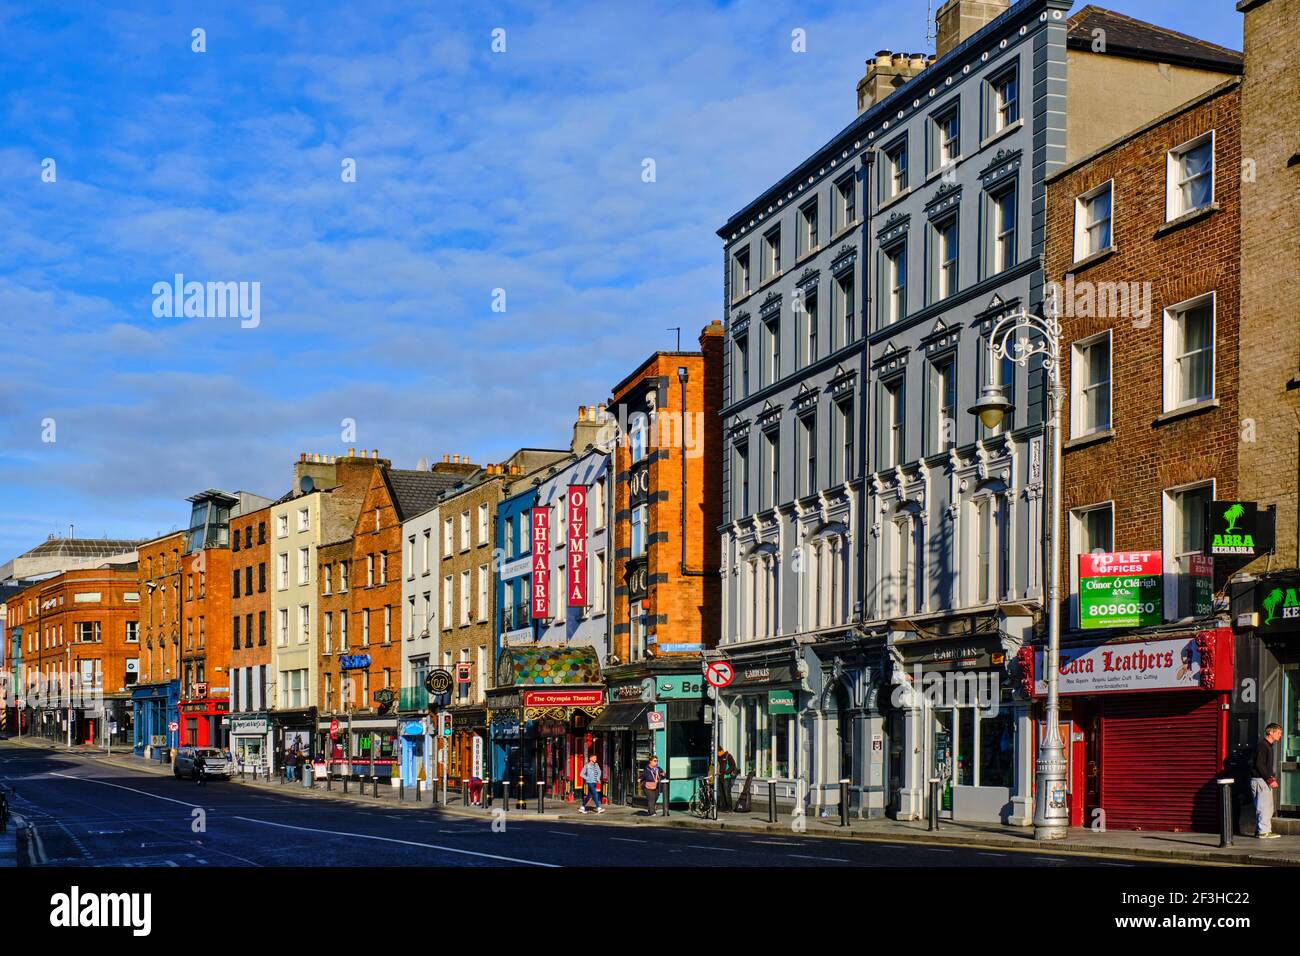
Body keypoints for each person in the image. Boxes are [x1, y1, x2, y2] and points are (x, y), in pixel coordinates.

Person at [1252, 723, 1283, 839]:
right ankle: (1264, 832)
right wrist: (1270, 779)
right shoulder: (1263, 746)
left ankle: (1259, 830)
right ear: (1271, 732)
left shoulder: (1267, 746)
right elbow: (1260, 765)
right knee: (1265, 807)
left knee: (1261, 806)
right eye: (1278, 733)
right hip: (1261, 780)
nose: (1280, 735)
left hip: (1261, 779)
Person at [713, 747, 737, 813]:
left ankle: (729, 807)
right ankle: (723, 807)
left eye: (717, 752)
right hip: (720, 777)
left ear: (721, 751)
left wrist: (727, 772)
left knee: (727, 793)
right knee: (721, 793)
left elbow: (733, 765)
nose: (717, 754)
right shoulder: (717, 757)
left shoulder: (728, 756)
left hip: (726, 777)